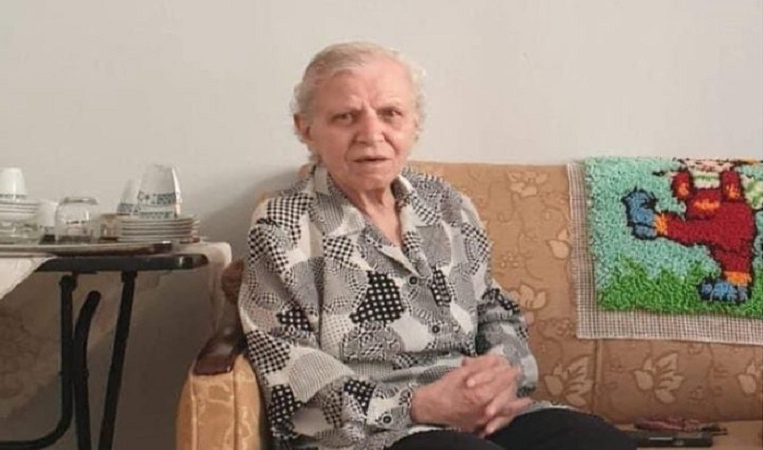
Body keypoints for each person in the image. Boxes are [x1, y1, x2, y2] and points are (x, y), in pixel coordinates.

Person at [238, 42, 634, 450]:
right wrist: (419, 405)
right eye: (345, 117)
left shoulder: (446, 203)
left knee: (599, 443)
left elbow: (494, 308)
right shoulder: (282, 223)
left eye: (390, 113)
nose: (371, 134)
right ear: (306, 128)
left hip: (476, 418)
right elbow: (288, 360)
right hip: (367, 434)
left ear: (414, 124)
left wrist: (500, 376)